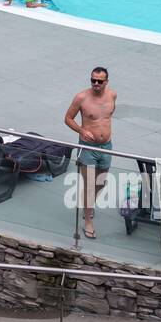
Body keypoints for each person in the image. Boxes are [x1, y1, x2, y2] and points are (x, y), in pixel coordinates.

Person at [65, 67, 116, 239]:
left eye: (99, 81)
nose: (95, 83)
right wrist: (81, 130)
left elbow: (107, 118)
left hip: (106, 146)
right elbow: (68, 118)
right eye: (93, 80)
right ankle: (88, 221)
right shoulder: (81, 98)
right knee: (89, 186)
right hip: (88, 147)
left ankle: (88, 205)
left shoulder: (112, 96)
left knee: (101, 182)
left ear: (106, 82)